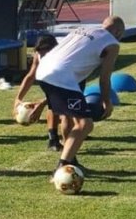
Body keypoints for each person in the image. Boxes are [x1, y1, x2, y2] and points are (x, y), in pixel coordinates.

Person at [35, 16, 125, 173]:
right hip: (61, 76)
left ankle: (71, 161)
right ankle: (62, 168)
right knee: (85, 124)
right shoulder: (112, 43)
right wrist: (107, 101)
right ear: (117, 32)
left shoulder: (84, 29)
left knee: (70, 118)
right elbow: (104, 78)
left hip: (43, 71)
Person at [13, 33, 64, 151]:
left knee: (68, 113)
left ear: (54, 49)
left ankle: (74, 136)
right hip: (52, 80)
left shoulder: (62, 58)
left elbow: (60, 89)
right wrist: (18, 98)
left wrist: (41, 104)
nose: (41, 54)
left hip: (71, 81)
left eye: (43, 51)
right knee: (53, 106)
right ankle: (53, 139)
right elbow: (31, 76)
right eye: (39, 51)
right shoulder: (39, 54)